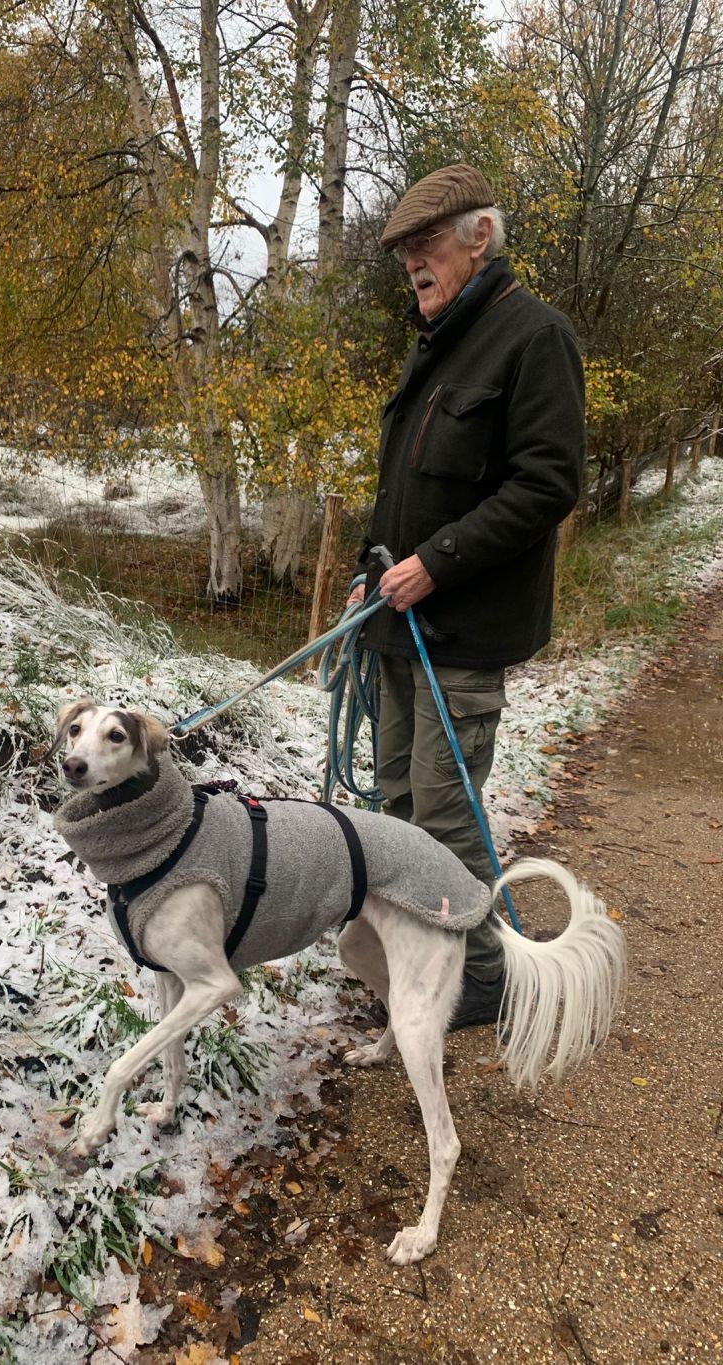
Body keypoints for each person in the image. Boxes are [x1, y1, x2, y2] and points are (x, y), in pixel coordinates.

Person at [351, 162, 585, 1026]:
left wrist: (436, 562)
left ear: (479, 236)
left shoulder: (535, 337)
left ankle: (482, 980)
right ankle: (422, 960)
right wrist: (367, 575)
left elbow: (548, 484)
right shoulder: (438, 343)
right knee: (395, 812)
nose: (413, 263)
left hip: (463, 633)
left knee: (443, 823)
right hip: (399, 624)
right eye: (404, 251)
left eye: (426, 244)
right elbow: (400, 488)